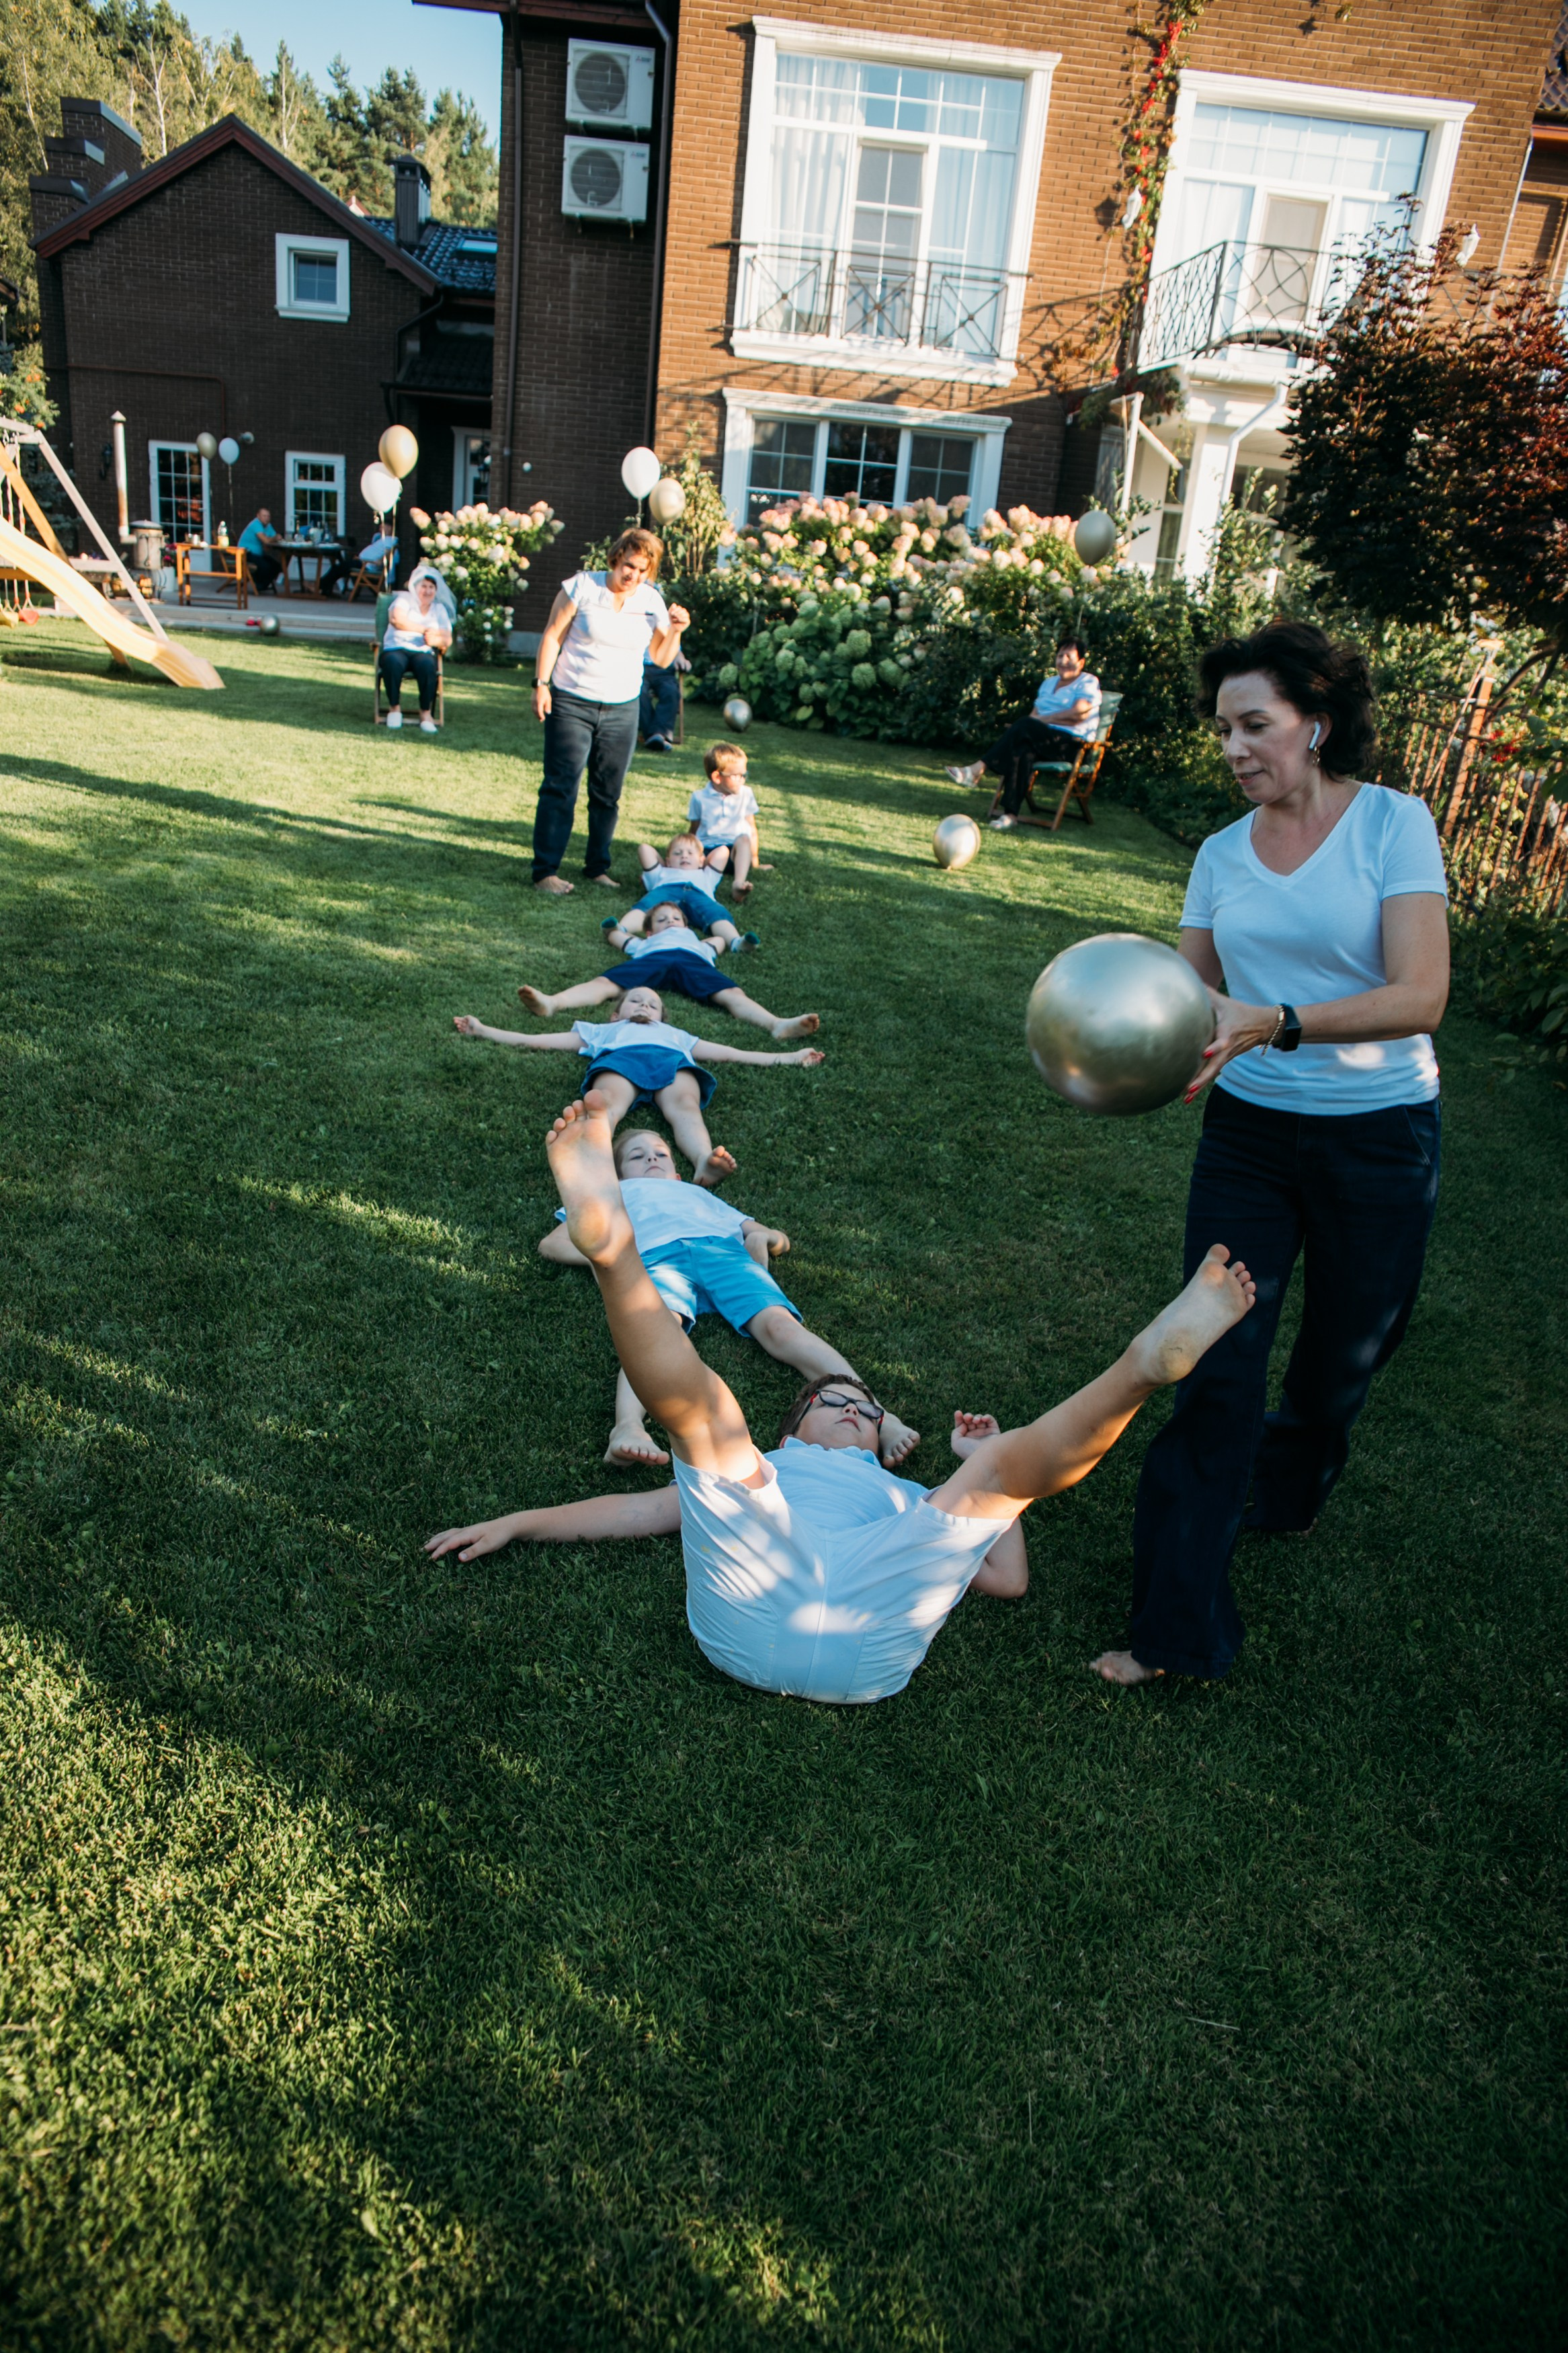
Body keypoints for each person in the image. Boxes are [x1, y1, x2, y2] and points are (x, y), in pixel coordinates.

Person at [425, 1090, 1256, 1706]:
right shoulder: (777, 1472)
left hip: (804, 1616)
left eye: (861, 1408)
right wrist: (520, 1522)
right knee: (719, 1427)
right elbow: (627, 1511)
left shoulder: (898, 1493)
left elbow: (1004, 1578)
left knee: (992, 1467)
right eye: (838, 1402)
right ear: (795, 1427)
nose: (856, 1409)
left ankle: (1145, 1365)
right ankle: (1138, 1371)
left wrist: (982, 1480)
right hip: (845, 1639)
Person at [1094, 621, 1450, 1690]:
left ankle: (1290, 1482)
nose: (1235, 748)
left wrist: (1276, 1018)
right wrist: (1134, 1042)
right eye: (1223, 730)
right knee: (1211, 1362)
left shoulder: (1394, 824)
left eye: (1256, 725)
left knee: (1342, 1361)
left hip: (1380, 1136)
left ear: (1316, 723)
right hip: (1247, 1137)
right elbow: (1192, 996)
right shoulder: (1217, 856)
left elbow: (1419, 995)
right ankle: (1176, 1629)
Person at [535, 1125, 916, 1469]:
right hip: (653, 1257)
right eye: (637, 1155)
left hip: (724, 1255)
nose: (651, 1157)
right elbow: (553, 1244)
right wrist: (614, 1258)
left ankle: (882, 1417)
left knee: (782, 1329)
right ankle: (628, 1427)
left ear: (677, 1171)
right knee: (656, 1331)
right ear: (619, 1175)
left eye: (660, 1152)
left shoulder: (698, 1196)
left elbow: (770, 1233)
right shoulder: (612, 1196)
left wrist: (764, 1238)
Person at [451, 983, 822, 1187]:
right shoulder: (603, 1030)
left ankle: (702, 1163)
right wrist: (484, 1029)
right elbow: (537, 1040)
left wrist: (787, 1057)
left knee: (686, 1109)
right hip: (621, 1062)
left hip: (671, 1063)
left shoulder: (674, 1034)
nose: (645, 1006)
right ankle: (594, 1161)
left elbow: (728, 1052)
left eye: (654, 1004)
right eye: (636, 1001)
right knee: (606, 1103)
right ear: (617, 1013)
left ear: (662, 1017)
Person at [530, 528, 691, 897]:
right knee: (561, 787)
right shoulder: (582, 587)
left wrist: (677, 631)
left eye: (642, 570)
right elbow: (553, 635)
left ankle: (597, 867)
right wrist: (541, 684)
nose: (632, 575)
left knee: (608, 794)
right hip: (571, 700)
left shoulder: (650, 601)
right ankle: (545, 872)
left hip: (622, 708)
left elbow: (662, 657)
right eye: (629, 566)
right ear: (616, 558)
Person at [517, 907, 817, 1042]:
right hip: (654, 960)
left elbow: (720, 941)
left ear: (687, 926)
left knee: (732, 995)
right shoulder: (644, 943)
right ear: (650, 930)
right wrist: (613, 930)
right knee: (605, 984)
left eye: (676, 918)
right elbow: (618, 938)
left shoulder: (701, 944)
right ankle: (553, 1003)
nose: (670, 922)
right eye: (661, 920)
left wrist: (726, 941)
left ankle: (776, 1024)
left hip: (691, 962)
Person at [945, 637, 1102, 830]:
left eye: (1069, 656)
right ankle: (1010, 815)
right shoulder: (1048, 683)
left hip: (1070, 744)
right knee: (1022, 750)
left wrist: (1044, 720)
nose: (1063, 661)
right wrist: (1037, 723)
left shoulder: (1087, 681)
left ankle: (978, 769)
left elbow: (1078, 714)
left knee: (1025, 726)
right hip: (1041, 739)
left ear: (1081, 662)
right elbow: (1034, 716)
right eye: (1060, 656)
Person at [616, 832, 731, 934]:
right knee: (646, 906)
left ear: (701, 860)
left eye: (690, 853)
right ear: (668, 861)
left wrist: (702, 863)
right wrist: (665, 865)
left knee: (716, 913)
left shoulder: (706, 875)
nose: (684, 856)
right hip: (666, 892)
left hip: (698, 894)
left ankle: (734, 941)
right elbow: (644, 849)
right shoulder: (661, 872)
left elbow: (723, 851)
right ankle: (621, 929)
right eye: (677, 853)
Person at [689, 742, 764, 898]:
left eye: (744, 775)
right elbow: (693, 831)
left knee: (744, 838)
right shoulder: (699, 797)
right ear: (717, 777)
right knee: (691, 857)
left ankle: (738, 883)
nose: (742, 780)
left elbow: (752, 828)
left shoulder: (746, 794)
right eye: (737, 776)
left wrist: (755, 861)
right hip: (709, 853)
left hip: (735, 856)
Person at [379, 574, 452, 734]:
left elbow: (448, 638)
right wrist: (425, 630)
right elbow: (397, 620)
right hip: (396, 647)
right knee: (392, 662)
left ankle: (426, 714)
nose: (427, 591)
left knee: (427, 665)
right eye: (424, 586)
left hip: (423, 651)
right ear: (415, 588)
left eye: (431, 587)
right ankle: (394, 709)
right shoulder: (404, 600)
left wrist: (436, 640)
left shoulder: (439, 609)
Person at [321, 526, 397, 598]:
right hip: (362, 563)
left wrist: (379, 561)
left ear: (390, 528)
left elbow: (387, 554)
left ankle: (320, 586)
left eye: (382, 527)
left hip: (365, 566)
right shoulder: (384, 539)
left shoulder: (391, 540)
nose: (380, 529)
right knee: (339, 569)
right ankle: (325, 590)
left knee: (338, 568)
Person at [640, 645, 689, 753]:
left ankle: (659, 734)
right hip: (638, 666)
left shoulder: (669, 627)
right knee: (638, 693)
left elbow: (675, 647)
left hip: (664, 668)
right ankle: (655, 736)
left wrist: (681, 658)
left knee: (671, 692)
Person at [237, 508, 282, 594]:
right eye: (264, 516)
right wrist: (275, 538)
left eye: (268, 516)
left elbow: (274, 538)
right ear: (258, 516)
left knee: (277, 566)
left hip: (258, 554)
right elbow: (267, 540)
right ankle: (258, 584)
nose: (267, 518)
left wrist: (274, 538)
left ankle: (262, 586)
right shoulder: (256, 525)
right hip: (246, 554)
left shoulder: (268, 526)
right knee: (265, 566)